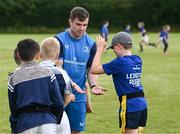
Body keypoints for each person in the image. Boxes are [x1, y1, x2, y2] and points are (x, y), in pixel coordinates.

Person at [55, 6, 106, 134]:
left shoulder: (90, 44)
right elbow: (58, 68)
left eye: (85, 25)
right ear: (70, 22)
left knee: (76, 131)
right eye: (78, 24)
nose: (82, 28)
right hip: (58, 94)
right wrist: (70, 86)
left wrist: (93, 85)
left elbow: (91, 69)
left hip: (79, 96)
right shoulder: (58, 40)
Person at [91, 32, 148, 134]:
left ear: (118, 46)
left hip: (129, 104)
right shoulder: (137, 59)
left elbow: (94, 69)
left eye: (113, 49)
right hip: (142, 103)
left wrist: (99, 49)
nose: (113, 52)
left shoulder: (120, 62)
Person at [8, 39, 64, 133]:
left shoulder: (14, 78)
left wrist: (14, 127)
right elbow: (58, 102)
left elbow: (13, 108)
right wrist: (54, 119)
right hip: (48, 122)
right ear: (38, 55)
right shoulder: (48, 73)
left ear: (18, 55)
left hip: (25, 124)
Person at [39, 37, 87, 134]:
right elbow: (67, 97)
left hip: (37, 117)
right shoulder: (62, 73)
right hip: (59, 116)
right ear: (57, 54)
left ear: (39, 54)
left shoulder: (33, 71)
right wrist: (69, 99)